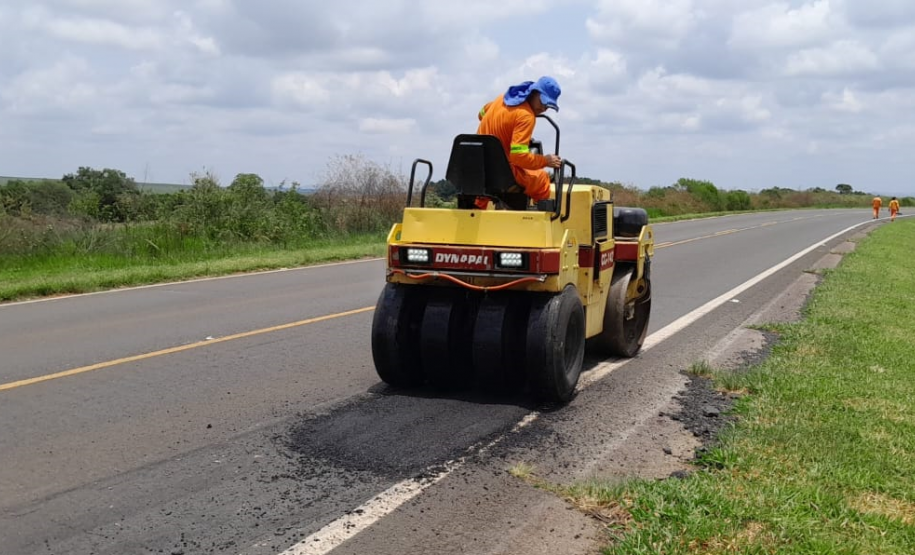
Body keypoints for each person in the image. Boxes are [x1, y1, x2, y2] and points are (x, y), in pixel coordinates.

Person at [475, 76, 563, 208]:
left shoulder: (501, 99)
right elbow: (518, 157)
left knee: (484, 186)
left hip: (478, 166)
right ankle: (539, 223)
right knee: (542, 179)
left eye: (548, 106)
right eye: (543, 102)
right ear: (535, 92)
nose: (544, 109)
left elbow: (481, 114)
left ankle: (476, 209)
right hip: (501, 172)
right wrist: (545, 160)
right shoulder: (526, 116)